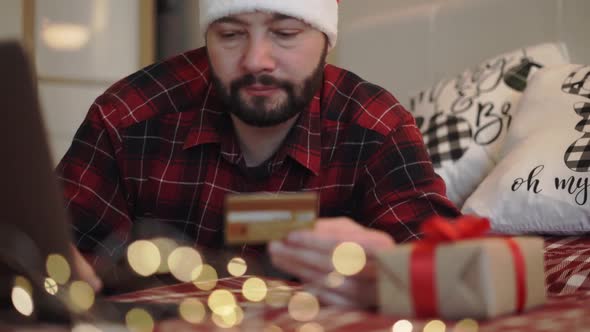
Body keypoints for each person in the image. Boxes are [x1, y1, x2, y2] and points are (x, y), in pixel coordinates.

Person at [58, 0, 459, 308]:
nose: (255, 61)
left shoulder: (376, 126)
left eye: (285, 33)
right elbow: (51, 256)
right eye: (230, 34)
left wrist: (390, 270)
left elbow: (452, 271)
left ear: (326, 39)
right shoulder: (129, 117)